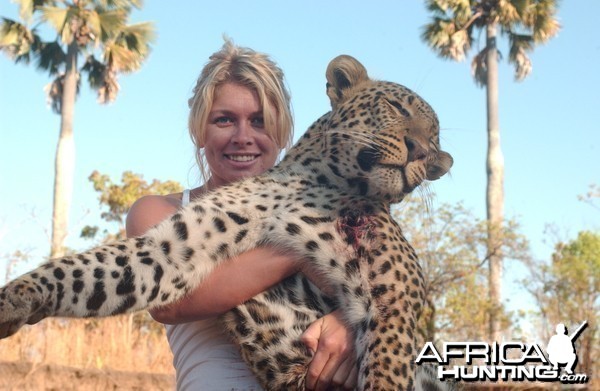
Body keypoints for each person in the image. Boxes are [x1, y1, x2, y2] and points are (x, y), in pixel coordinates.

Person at [126, 40, 357, 391]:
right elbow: (170, 301)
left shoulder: (324, 211)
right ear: (200, 129)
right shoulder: (161, 211)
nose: (243, 137)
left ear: (282, 134)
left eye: (260, 122)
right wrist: (297, 250)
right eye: (224, 120)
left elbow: (386, 297)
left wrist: (351, 323)